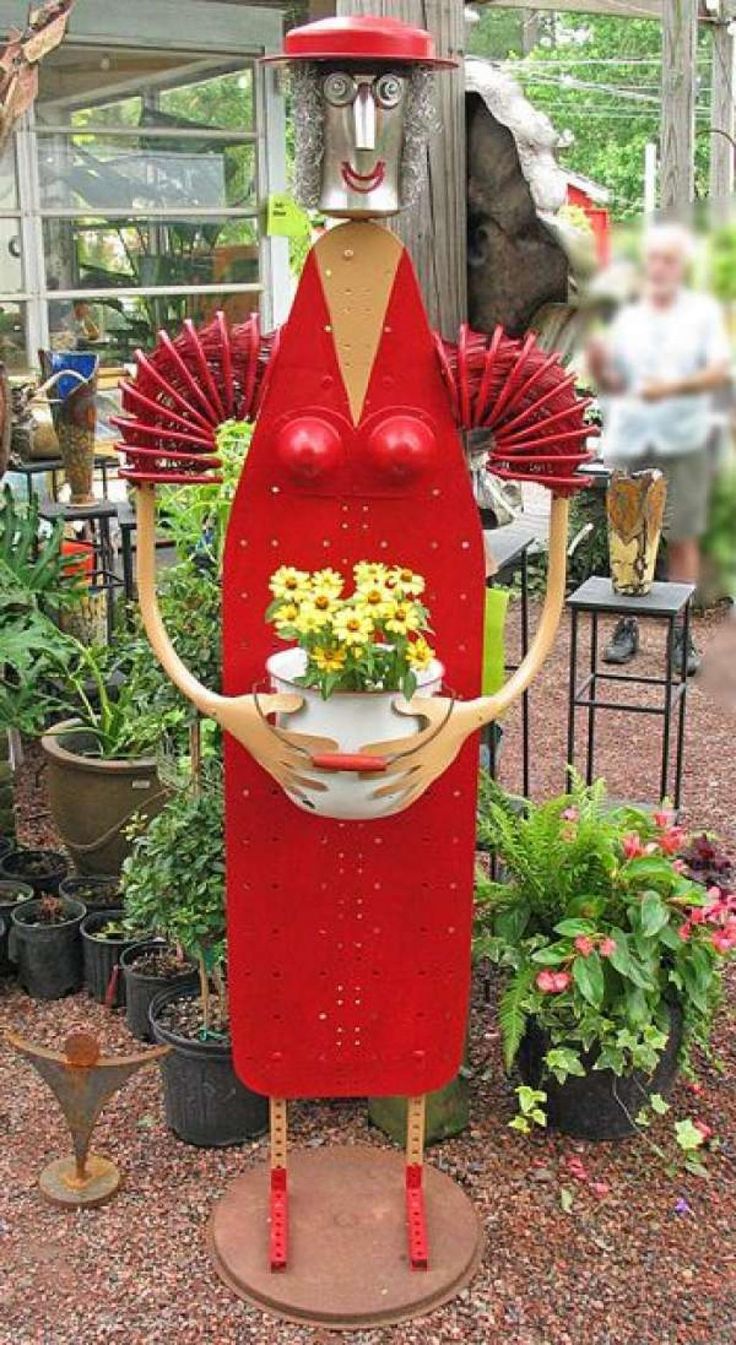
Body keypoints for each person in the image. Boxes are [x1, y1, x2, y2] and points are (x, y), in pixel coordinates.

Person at [588, 223, 731, 674]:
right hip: (633, 436)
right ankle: (627, 624)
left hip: (686, 440)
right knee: (628, 531)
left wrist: (671, 387)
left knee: (681, 536)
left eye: (669, 260)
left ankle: (680, 632)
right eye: (654, 259)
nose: (660, 268)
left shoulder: (703, 315)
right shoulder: (627, 316)